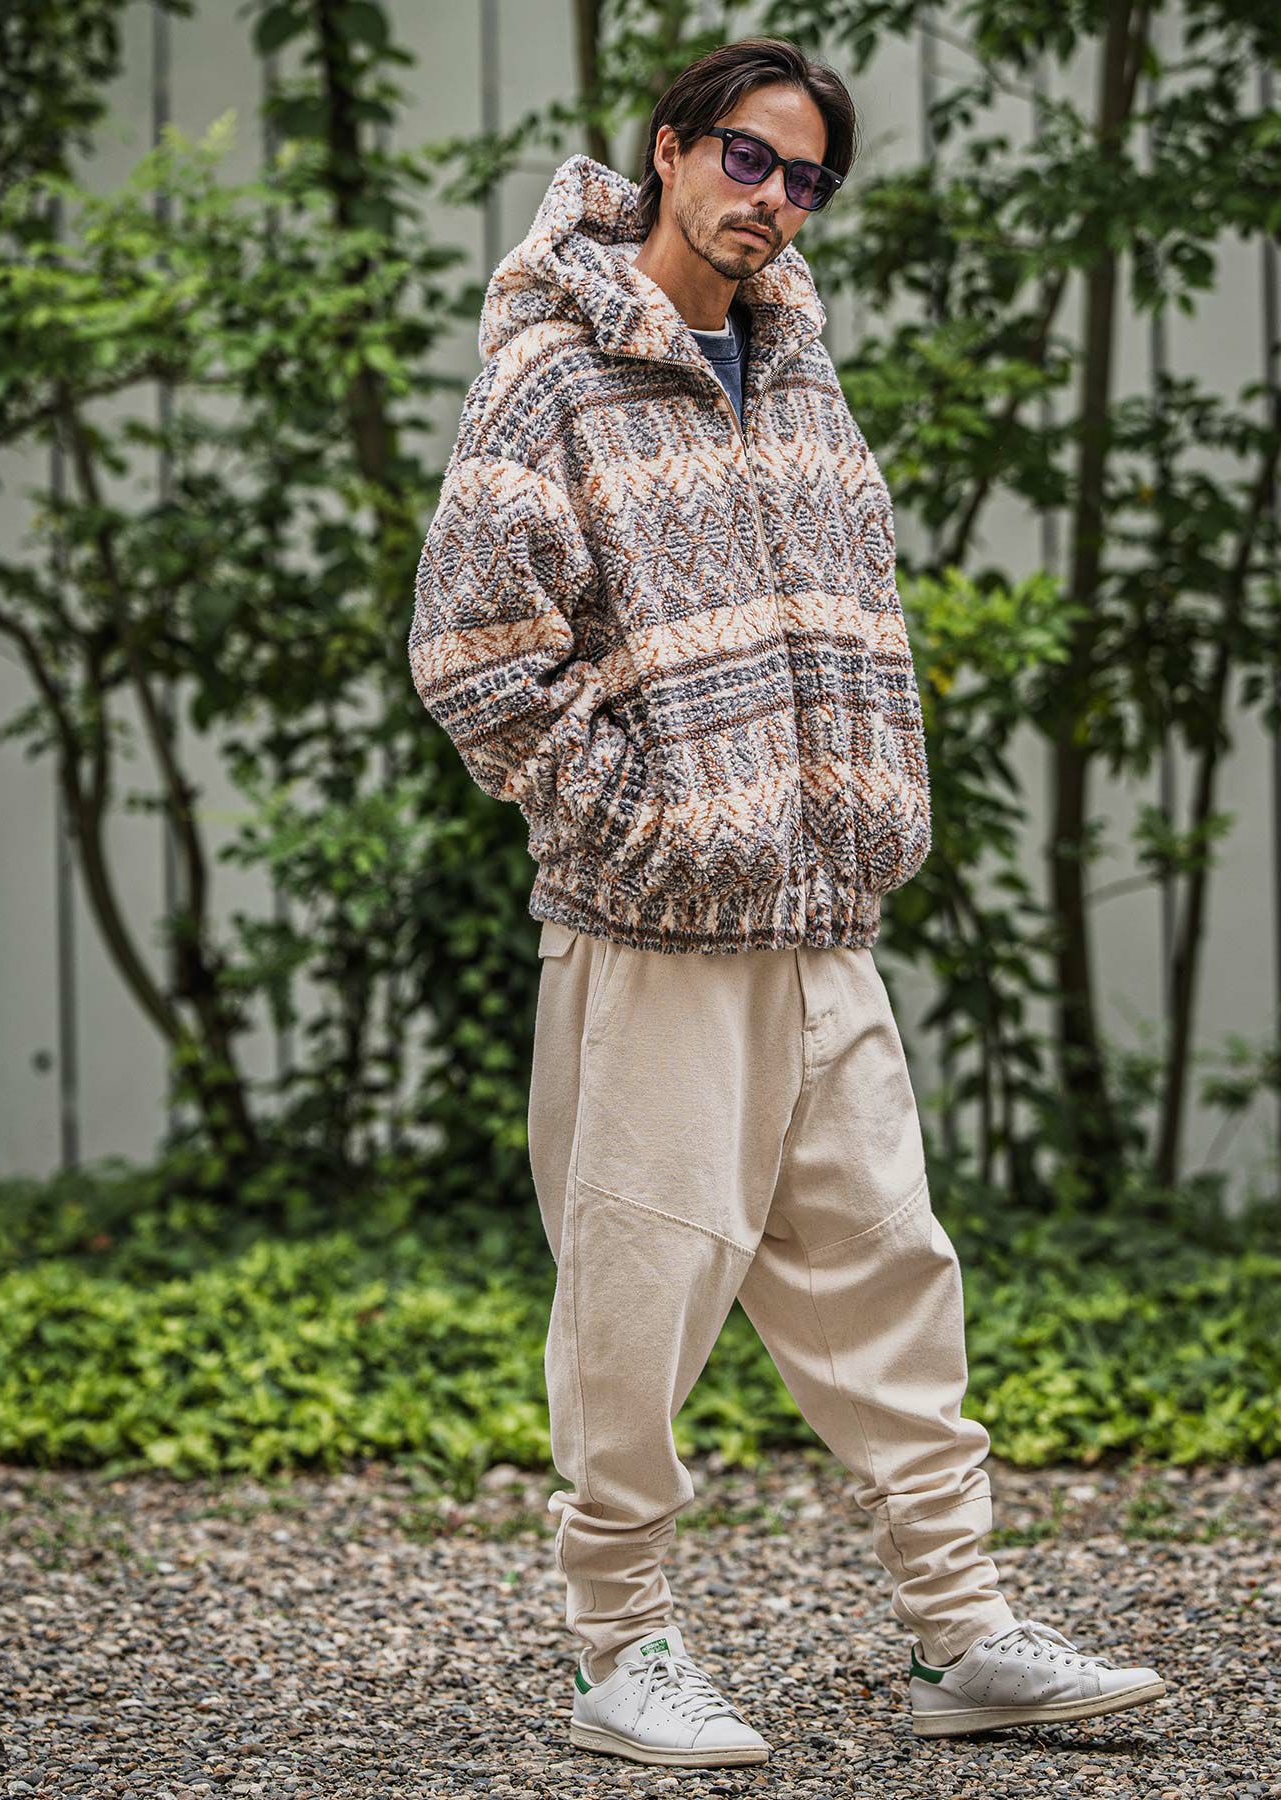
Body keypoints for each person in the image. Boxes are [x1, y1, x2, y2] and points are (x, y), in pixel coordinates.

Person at [408, 32, 1166, 1773]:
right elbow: (474, 654)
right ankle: (617, 1651)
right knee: (641, 1293)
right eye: (748, 159)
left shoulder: (800, 369)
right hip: (655, 933)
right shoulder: (554, 380)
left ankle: (961, 1631)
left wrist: (865, 819)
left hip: (824, 920)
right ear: (672, 150)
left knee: (893, 1273)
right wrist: (645, 827)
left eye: (806, 178)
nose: (773, 200)